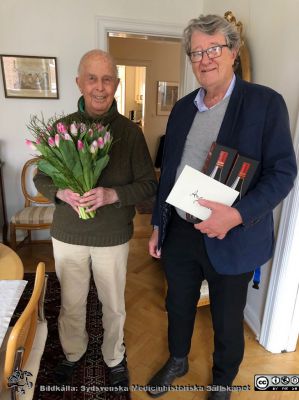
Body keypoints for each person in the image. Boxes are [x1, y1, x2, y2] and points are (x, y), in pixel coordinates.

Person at [147, 15, 297, 400]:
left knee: (227, 321)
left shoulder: (265, 104)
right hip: (181, 231)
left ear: (232, 52)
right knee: (177, 303)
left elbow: (283, 173)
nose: (205, 58)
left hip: (233, 235)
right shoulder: (183, 109)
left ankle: (221, 382)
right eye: (197, 52)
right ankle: (178, 360)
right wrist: (158, 225)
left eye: (214, 48)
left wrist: (237, 215)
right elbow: (169, 174)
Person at [34, 49, 157, 387]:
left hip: (112, 236)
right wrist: (60, 192)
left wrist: (112, 194)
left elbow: (148, 183)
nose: (100, 87)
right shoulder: (62, 129)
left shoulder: (130, 133)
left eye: (107, 79)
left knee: (113, 304)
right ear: (80, 82)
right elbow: (41, 177)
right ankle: (73, 352)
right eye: (92, 78)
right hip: (68, 235)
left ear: (116, 84)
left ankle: (114, 356)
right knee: (71, 303)